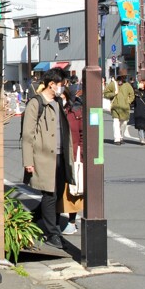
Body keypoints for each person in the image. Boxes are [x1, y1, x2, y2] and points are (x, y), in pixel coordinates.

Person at [21, 69, 75, 249]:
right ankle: (53, 233)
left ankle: (32, 219)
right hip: (43, 157)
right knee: (49, 194)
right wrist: (28, 161)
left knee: (57, 193)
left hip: (60, 156)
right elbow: (27, 136)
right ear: (52, 84)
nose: (64, 87)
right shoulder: (36, 104)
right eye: (62, 84)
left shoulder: (58, 102)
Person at [57, 85, 83, 233]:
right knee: (59, 191)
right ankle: (56, 222)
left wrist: (81, 154)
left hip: (74, 156)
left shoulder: (76, 112)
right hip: (59, 155)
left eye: (62, 97)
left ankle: (72, 222)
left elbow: (81, 135)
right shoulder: (57, 110)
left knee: (73, 191)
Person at [104, 70, 135, 144]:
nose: (124, 77)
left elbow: (132, 95)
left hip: (125, 108)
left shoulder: (127, 85)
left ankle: (121, 136)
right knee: (116, 123)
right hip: (115, 106)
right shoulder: (113, 84)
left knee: (124, 123)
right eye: (123, 76)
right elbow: (105, 93)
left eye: (125, 76)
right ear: (119, 76)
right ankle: (117, 139)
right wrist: (113, 94)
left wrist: (129, 101)